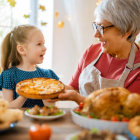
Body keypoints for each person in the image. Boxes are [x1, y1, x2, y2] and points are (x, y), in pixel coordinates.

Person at [58, 0, 140, 104]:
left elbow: (121, 112)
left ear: (126, 32)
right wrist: (52, 89)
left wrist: (78, 98)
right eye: (96, 26)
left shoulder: (138, 69)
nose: (95, 34)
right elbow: (74, 88)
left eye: (101, 28)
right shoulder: (91, 51)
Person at [0, 25, 59, 108]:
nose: (44, 48)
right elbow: (7, 108)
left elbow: (51, 108)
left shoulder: (47, 75)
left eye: (43, 43)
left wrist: (47, 98)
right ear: (22, 49)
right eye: (39, 44)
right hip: (19, 120)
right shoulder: (8, 75)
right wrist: (25, 93)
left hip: (42, 120)